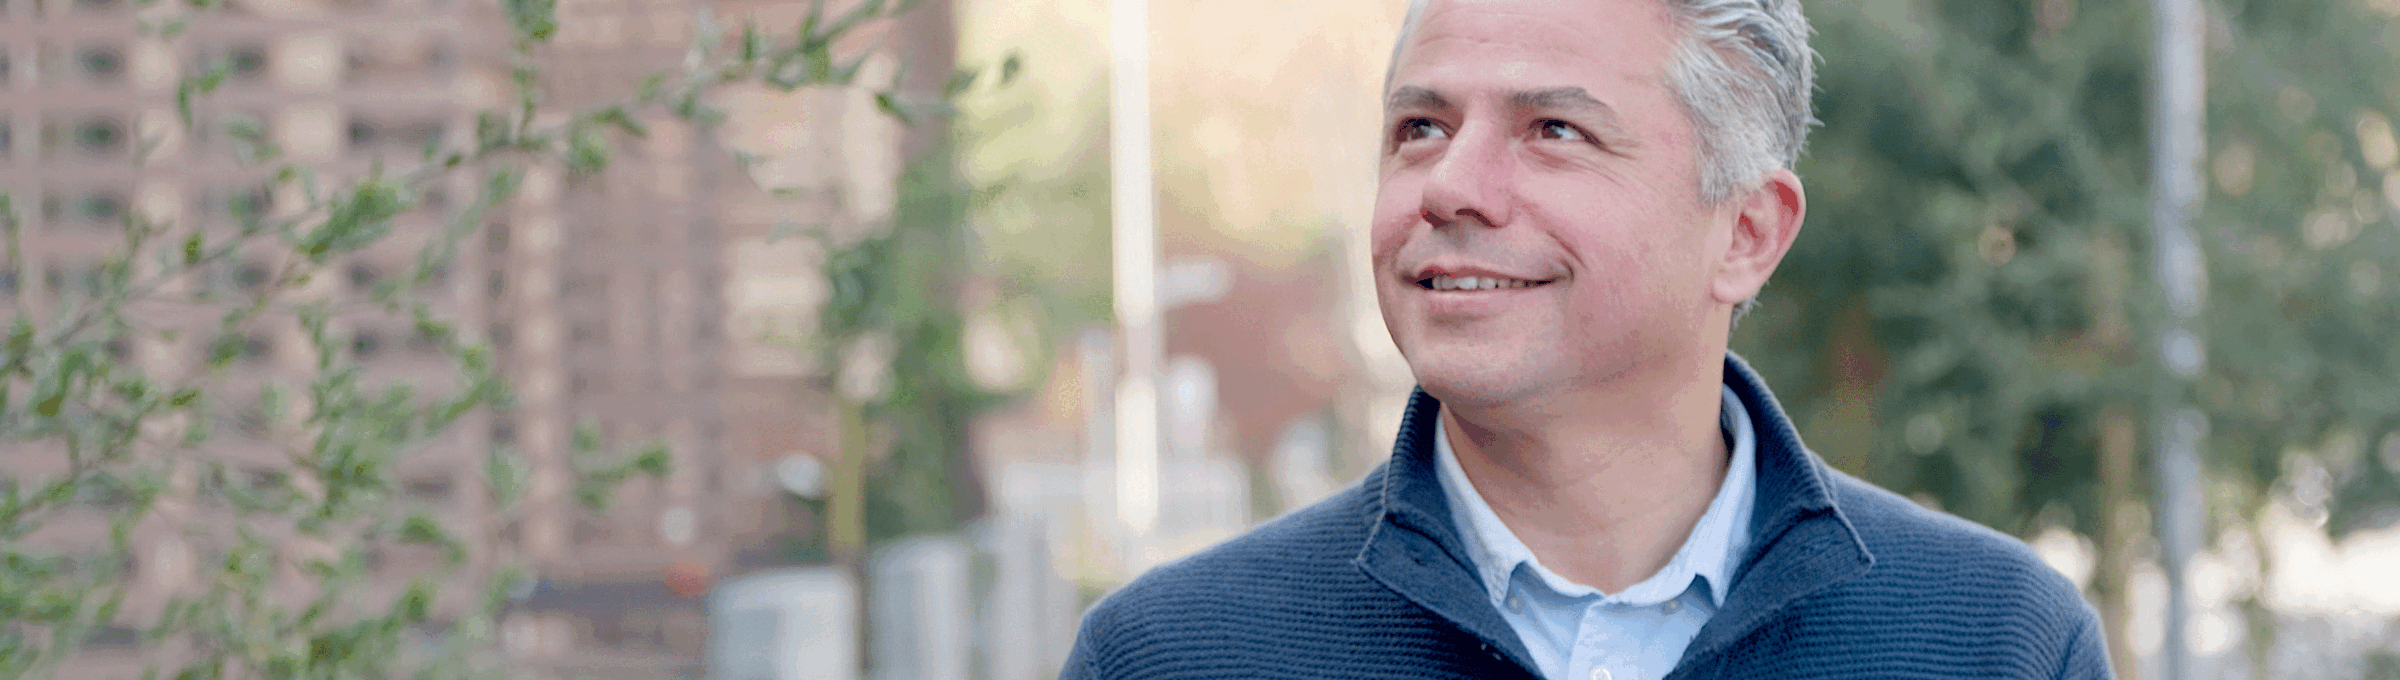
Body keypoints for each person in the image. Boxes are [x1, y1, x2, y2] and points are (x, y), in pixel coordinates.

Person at [1062, 0, 2112, 677]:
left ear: (1745, 233)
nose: (1450, 185)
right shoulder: (1170, 655)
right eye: (1420, 127)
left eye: (1552, 130)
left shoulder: (1998, 641)